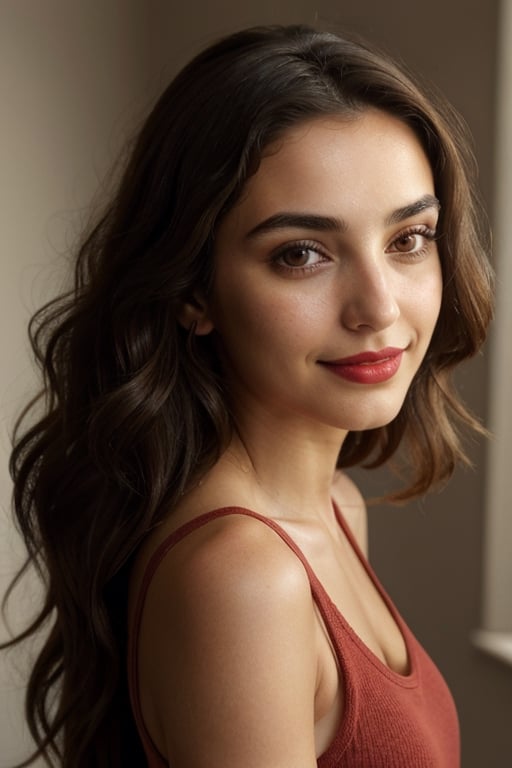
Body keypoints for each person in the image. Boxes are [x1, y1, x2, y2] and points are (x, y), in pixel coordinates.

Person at [2, 23, 493, 768]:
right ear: (192, 291)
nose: (379, 307)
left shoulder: (335, 507)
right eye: (302, 254)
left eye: (408, 239)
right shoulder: (243, 577)